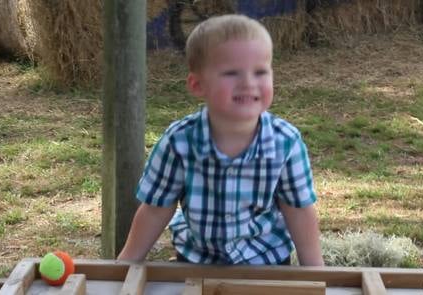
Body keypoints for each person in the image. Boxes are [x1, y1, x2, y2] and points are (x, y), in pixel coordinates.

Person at [117, 14, 324, 266]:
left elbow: (299, 211)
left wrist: (315, 273)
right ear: (197, 85)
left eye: (260, 72)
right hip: (196, 260)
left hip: (266, 262)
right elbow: (156, 208)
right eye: (231, 73)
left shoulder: (286, 142)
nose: (248, 83)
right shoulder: (178, 141)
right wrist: (126, 263)